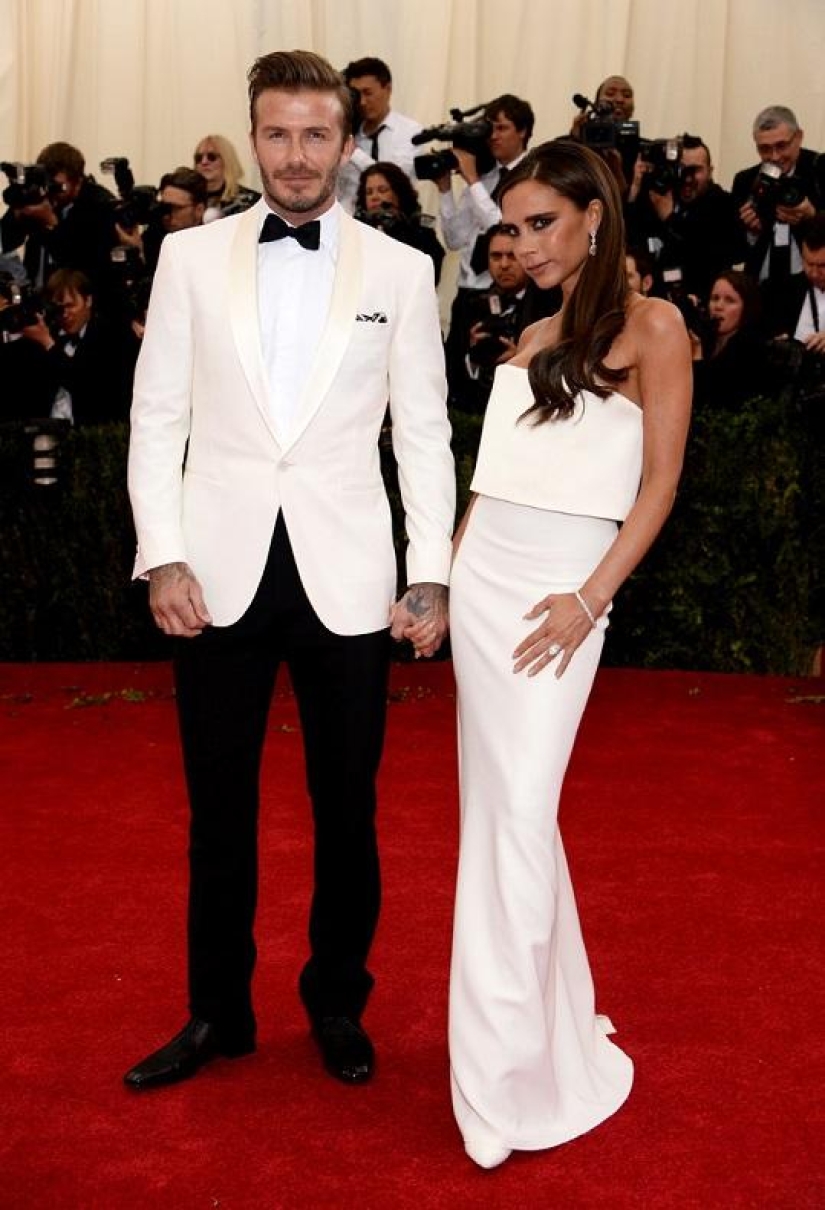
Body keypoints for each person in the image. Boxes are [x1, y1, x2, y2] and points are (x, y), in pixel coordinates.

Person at [124, 49, 454, 1092]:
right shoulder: (187, 259)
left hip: (349, 574)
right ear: (251, 137)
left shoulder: (400, 269)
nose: (297, 154)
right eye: (278, 133)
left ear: (348, 145)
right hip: (214, 571)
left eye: (317, 135)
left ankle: (337, 1003)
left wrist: (430, 569)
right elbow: (156, 419)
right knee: (217, 811)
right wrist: (162, 552)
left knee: (346, 810)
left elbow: (427, 436)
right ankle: (218, 1013)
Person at [447, 140, 691, 1169]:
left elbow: (658, 488)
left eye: (543, 221)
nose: (525, 242)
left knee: (519, 815)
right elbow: (487, 486)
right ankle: (537, 1042)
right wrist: (444, 579)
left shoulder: (655, 327)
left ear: (597, 214)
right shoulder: (531, 334)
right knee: (505, 819)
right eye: (514, 227)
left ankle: (500, 1082)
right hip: (486, 590)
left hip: (561, 600)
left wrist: (589, 602)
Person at [18, 267, 138, 425]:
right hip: (45, 430)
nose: (65, 314)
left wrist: (49, 344)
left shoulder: (113, 337)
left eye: (71, 305)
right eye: (59, 308)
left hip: (94, 431)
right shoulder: (45, 336)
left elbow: (87, 385)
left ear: (88, 301)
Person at [0, 141, 118, 293]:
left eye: (58, 186)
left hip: (83, 303)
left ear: (77, 182)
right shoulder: (42, 197)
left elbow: (83, 265)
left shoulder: (99, 205)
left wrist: (52, 224)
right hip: (38, 295)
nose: (51, 191)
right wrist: (18, 213)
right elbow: (6, 242)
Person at [731, 105, 824, 287]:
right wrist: (751, 232)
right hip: (761, 287)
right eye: (764, 149)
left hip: (813, 285)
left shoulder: (820, 170)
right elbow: (734, 251)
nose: (774, 157)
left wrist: (814, 217)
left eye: (781, 146)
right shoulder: (746, 180)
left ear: (798, 137)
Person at [445, 224, 530, 413]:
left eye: (512, 255)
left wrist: (522, 360)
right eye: (496, 256)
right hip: (473, 414)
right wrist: (473, 358)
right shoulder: (468, 305)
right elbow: (450, 368)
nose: (504, 264)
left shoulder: (549, 305)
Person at [338, 57, 423, 213]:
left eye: (368, 93)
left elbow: (393, 180)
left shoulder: (410, 132)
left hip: (395, 227)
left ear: (388, 89)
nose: (362, 102)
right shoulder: (350, 131)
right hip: (351, 224)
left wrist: (354, 152)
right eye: (357, 95)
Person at [354, 161, 444, 282]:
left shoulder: (419, 228)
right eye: (369, 192)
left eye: (382, 190)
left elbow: (432, 273)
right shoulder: (354, 230)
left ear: (398, 193)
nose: (374, 197)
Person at [690, 270, 768, 408]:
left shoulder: (751, 348)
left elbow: (713, 400)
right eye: (715, 298)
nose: (718, 306)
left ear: (746, 308)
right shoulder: (706, 338)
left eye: (729, 300)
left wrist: (697, 356)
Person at [193, 134, 260, 221]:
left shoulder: (250, 201)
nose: (204, 162)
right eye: (198, 158)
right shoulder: (188, 201)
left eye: (211, 157)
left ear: (227, 160)